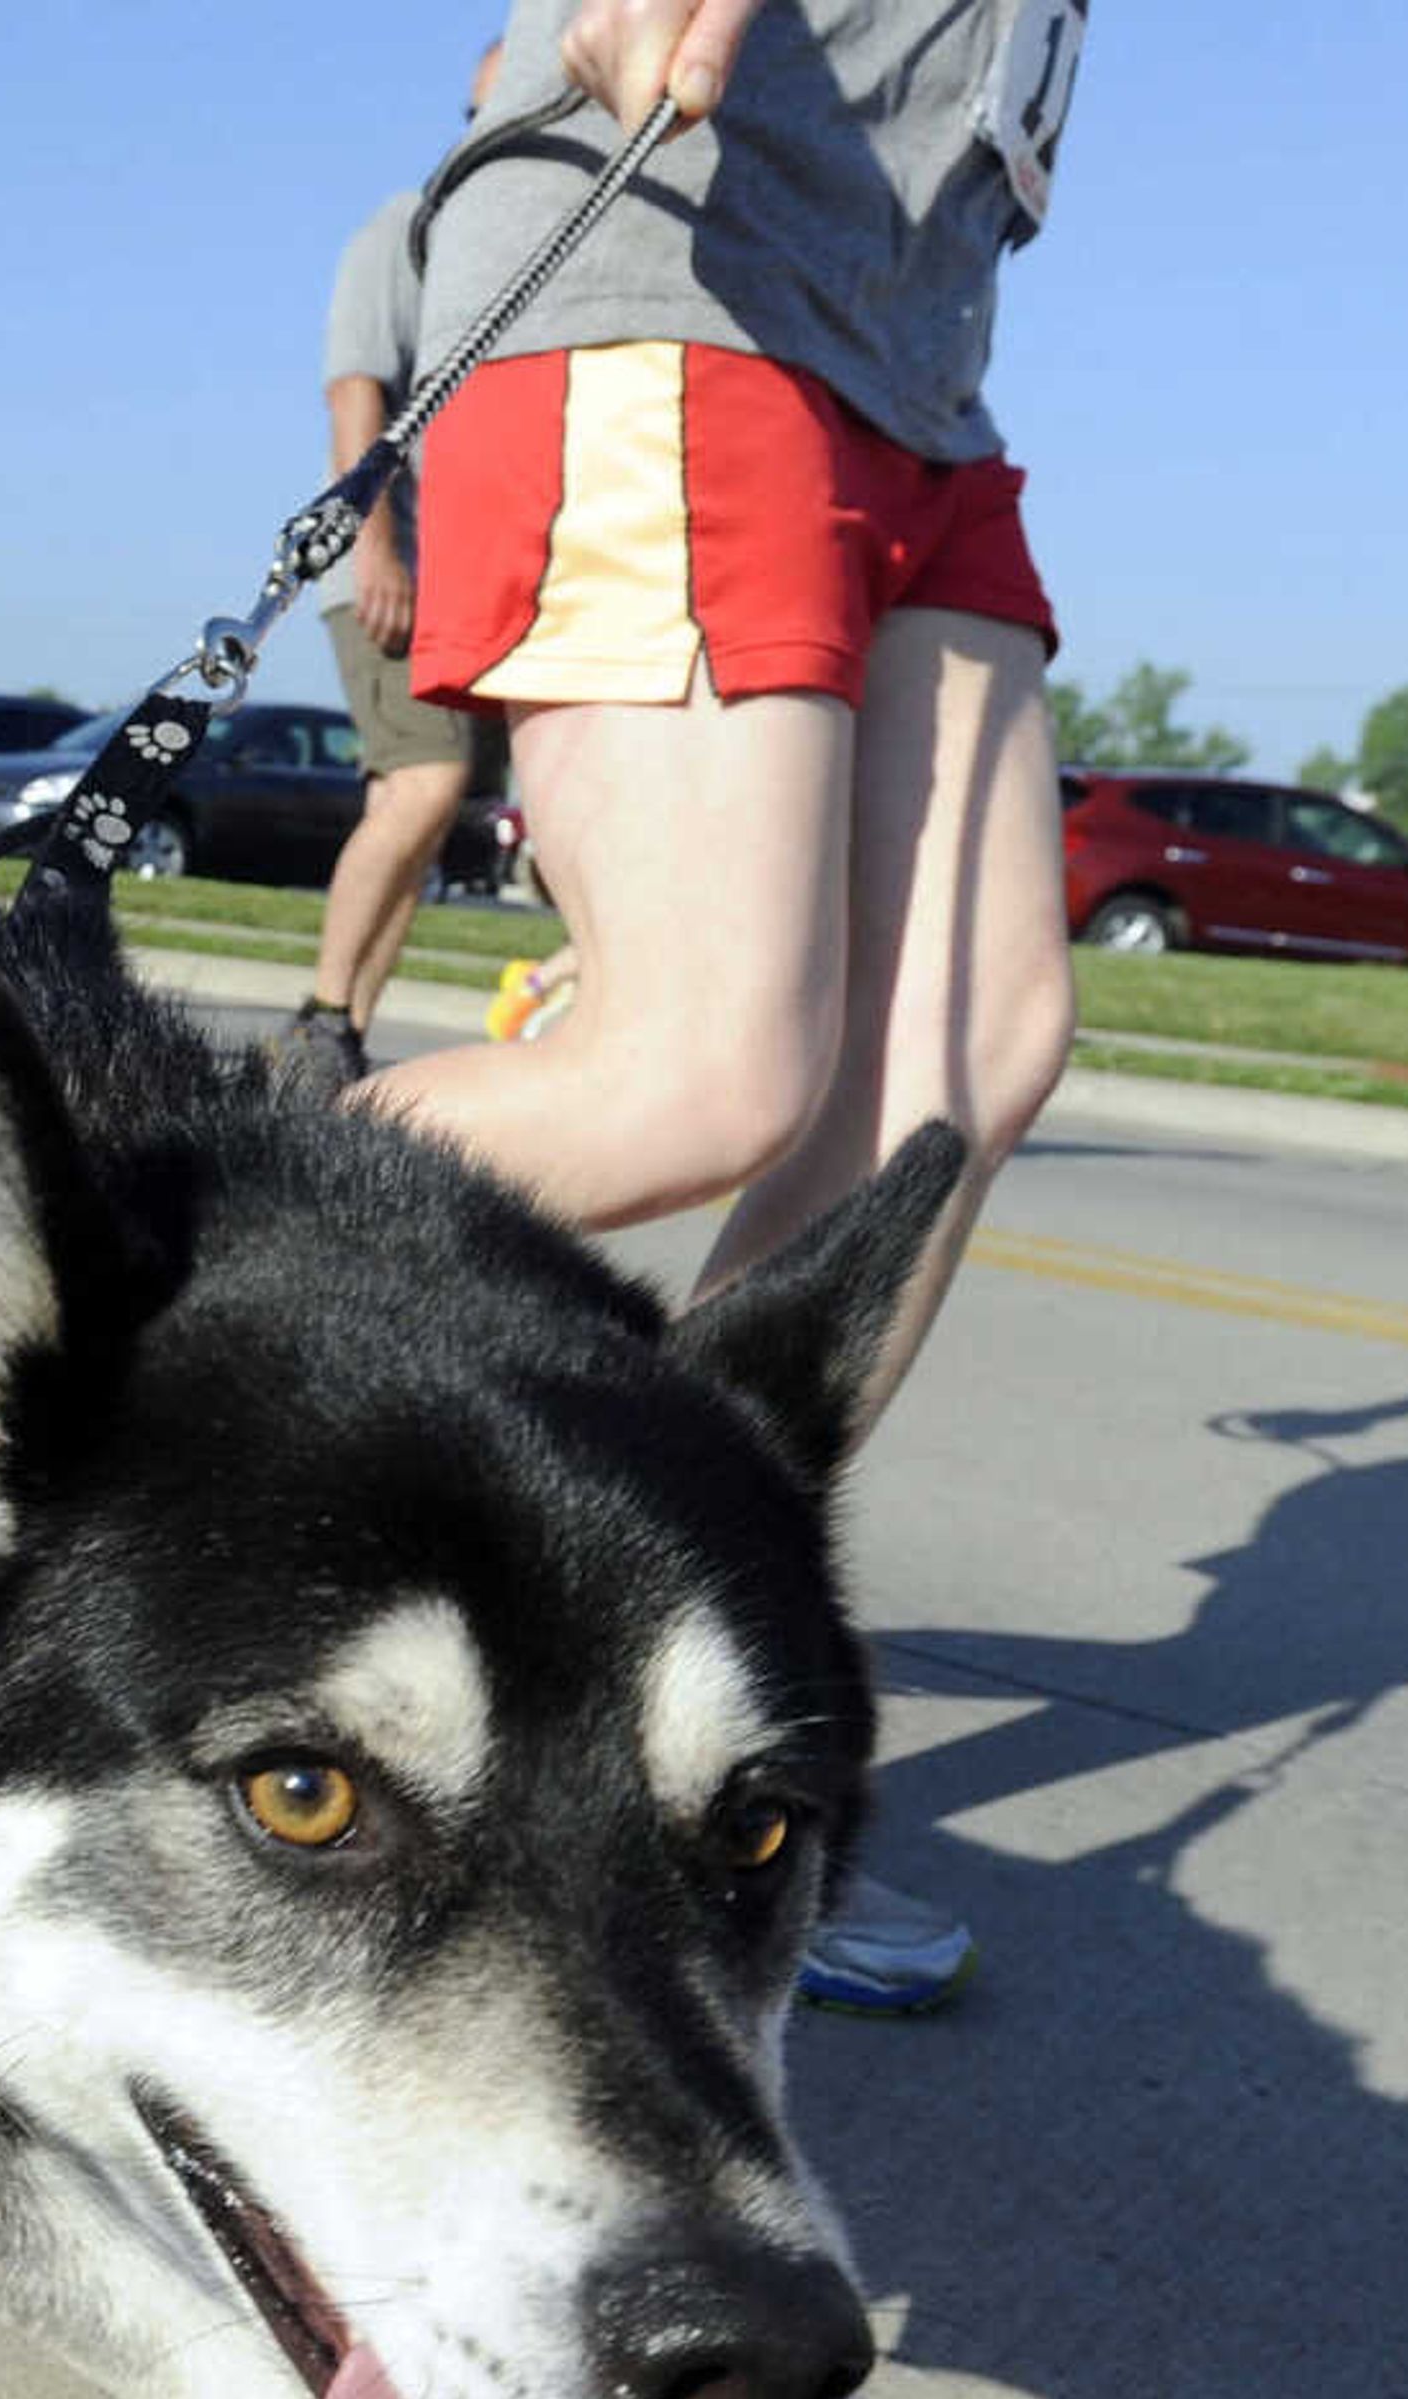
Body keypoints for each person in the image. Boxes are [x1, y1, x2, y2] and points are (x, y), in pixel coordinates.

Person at [381, 0, 1085, 2013]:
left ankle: (664, 1748)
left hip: (921, 378)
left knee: (961, 1076)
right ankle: (67, 1264)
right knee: (700, 1070)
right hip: (678, 287)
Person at [286, 53, 519, 1079]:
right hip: (389, 561)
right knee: (429, 779)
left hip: (467, 572)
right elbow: (354, 398)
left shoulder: (506, 249)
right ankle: (320, 1017)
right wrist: (374, 547)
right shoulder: (406, 231)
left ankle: (343, 1037)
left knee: (415, 814)